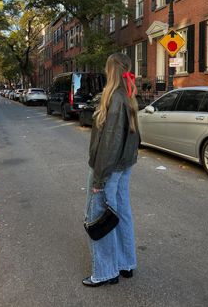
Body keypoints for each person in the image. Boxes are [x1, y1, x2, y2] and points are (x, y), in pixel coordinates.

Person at [83, 52, 140, 287]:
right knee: (121, 214)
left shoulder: (115, 97)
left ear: (112, 71)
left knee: (100, 217)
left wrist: (99, 178)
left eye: (107, 69)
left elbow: (111, 141)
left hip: (108, 168)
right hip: (122, 165)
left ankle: (106, 271)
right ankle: (126, 263)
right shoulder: (128, 95)